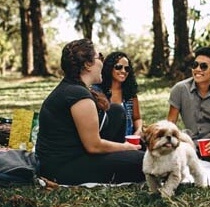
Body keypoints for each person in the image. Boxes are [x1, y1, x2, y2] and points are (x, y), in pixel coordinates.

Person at [35, 39, 145, 185]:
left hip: (77, 153)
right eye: (100, 57)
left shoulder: (75, 88)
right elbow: (93, 146)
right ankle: (125, 157)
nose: (103, 62)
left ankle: (123, 156)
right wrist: (126, 148)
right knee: (146, 161)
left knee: (116, 111)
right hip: (63, 167)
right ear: (87, 64)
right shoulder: (77, 95)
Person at [97, 51, 143, 137]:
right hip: (105, 142)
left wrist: (139, 130)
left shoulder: (130, 93)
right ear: (109, 68)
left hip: (127, 141)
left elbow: (137, 118)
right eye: (118, 67)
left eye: (127, 68)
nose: (123, 71)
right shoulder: (98, 91)